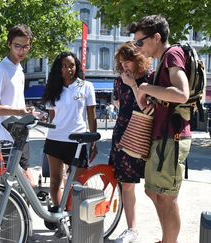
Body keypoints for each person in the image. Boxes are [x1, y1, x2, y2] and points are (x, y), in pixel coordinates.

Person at [130, 15, 192, 243]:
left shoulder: (171, 55)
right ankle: (167, 238)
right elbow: (155, 104)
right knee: (153, 192)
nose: (137, 47)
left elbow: (182, 93)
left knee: (168, 197)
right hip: (161, 136)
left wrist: (147, 86)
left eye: (140, 41)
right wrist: (140, 89)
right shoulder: (161, 62)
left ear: (156, 37)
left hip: (172, 137)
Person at [41, 52, 98, 219]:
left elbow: (91, 114)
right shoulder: (52, 88)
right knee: (55, 182)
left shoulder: (86, 86)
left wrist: (93, 141)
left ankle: (75, 218)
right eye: (64, 66)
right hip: (55, 139)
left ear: (77, 66)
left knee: (78, 184)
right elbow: (52, 116)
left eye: (71, 65)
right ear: (59, 69)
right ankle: (60, 217)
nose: (68, 69)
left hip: (78, 141)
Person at [109, 41, 153, 243]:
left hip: (142, 133)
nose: (125, 66)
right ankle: (132, 229)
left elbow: (148, 109)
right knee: (126, 184)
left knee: (153, 188)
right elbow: (118, 103)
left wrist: (133, 86)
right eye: (122, 62)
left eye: (129, 62)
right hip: (122, 132)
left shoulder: (149, 78)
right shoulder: (119, 81)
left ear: (139, 60)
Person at [0, 24, 38, 187]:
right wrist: (19, 111)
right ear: (9, 44)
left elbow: (13, 100)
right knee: (16, 185)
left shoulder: (18, 69)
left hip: (21, 133)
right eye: (17, 46)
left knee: (22, 187)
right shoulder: (1, 70)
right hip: (7, 137)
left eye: (26, 46)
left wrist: (25, 110)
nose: (21, 51)